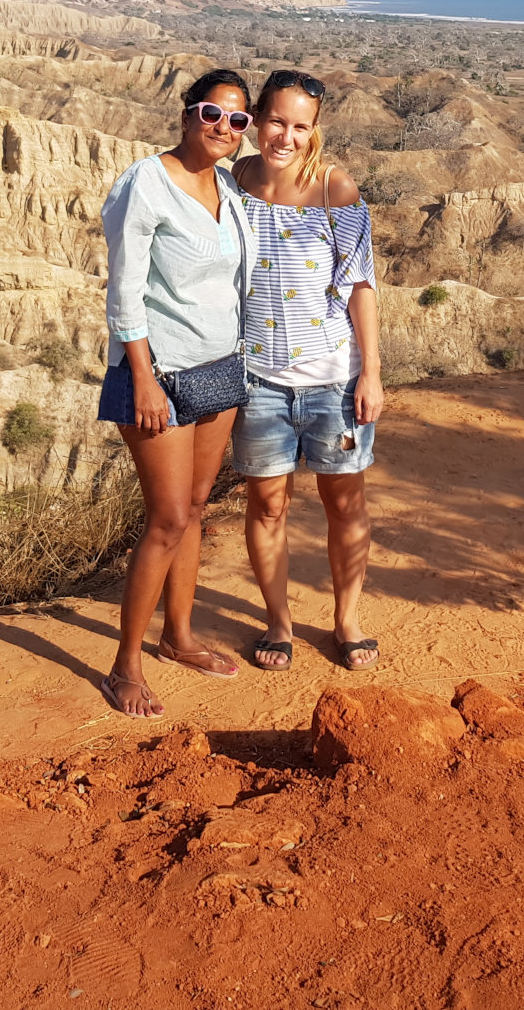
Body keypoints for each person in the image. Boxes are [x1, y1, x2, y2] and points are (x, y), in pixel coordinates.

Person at [96, 69, 257, 717]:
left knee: (193, 508)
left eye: (237, 119)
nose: (223, 127)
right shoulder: (147, 182)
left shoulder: (228, 186)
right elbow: (125, 288)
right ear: (188, 114)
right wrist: (141, 376)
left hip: (219, 367)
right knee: (165, 519)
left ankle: (179, 637)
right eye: (211, 113)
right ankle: (124, 666)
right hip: (158, 373)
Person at [230, 69, 384, 672]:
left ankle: (347, 621)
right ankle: (279, 623)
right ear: (256, 120)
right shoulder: (235, 180)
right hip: (258, 381)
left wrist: (371, 373)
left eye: (300, 126)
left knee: (344, 503)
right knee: (267, 505)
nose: (286, 137)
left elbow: (360, 285)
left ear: (314, 130)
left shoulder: (334, 190)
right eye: (276, 121)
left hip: (333, 381)